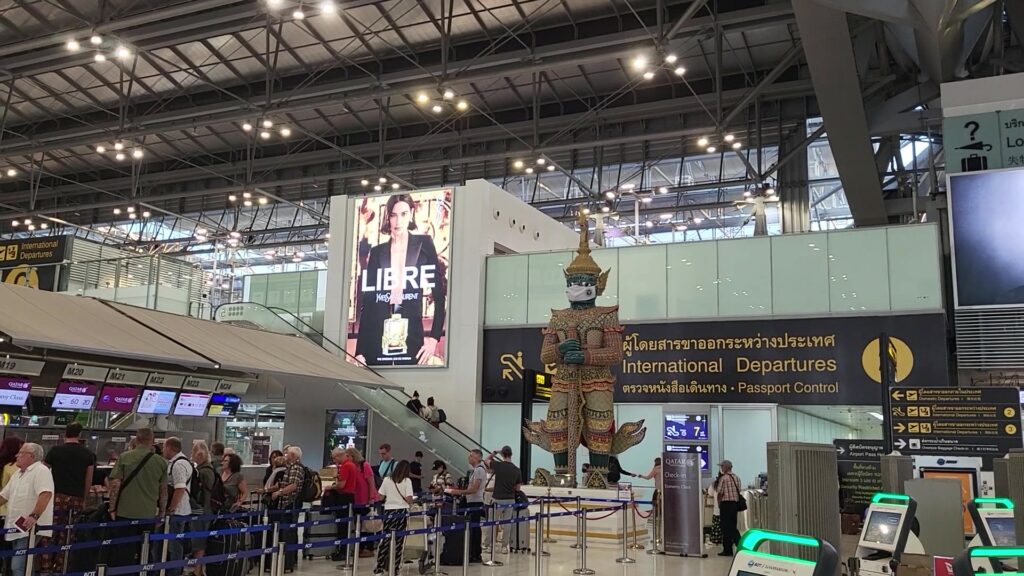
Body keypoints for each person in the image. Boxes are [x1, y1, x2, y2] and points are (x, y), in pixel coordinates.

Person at [354, 193, 448, 367]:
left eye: (403, 214)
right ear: (388, 217)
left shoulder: (424, 244)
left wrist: (434, 338)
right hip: (378, 334)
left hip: (412, 332)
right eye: (394, 215)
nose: (398, 221)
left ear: (411, 213)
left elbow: (439, 296)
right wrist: (360, 351)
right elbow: (367, 305)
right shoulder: (377, 252)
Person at [108, 428, 167, 567]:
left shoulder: (125, 457)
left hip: (125, 512)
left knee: (123, 553)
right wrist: (162, 513)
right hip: (148, 513)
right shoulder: (161, 462)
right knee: (145, 552)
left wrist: (112, 508)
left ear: (136, 440)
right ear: (152, 441)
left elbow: (115, 485)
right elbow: (163, 491)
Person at [43, 423, 96, 574]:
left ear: (65, 433)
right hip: (76, 498)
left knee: (50, 531)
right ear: (80, 435)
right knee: (68, 534)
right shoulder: (87, 454)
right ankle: (61, 566)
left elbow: (44, 471)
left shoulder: (55, 451)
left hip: (56, 496)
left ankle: (46, 566)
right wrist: (84, 498)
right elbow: (88, 479)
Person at [0, 443, 54, 576]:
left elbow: (46, 494)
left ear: (31, 456)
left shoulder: (41, 471)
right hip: (15, 525)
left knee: (18, 566)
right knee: (19, 564)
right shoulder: (18, 474)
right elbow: (3, 496)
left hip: (30, 527)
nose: (17, 455)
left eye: (21, 453)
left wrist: (34, 515)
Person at [267, 446, 305, 572]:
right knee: (285, 533)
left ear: (293, 456)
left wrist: (279, 493)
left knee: (288, 534)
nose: (285, 455)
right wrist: (267, 490)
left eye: (287, 453)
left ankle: (288, 563)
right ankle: (285, 561)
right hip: (285, 505)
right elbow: (282, 483)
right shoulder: (289, 468)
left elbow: (293, 485)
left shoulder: (296, 468)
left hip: (290, 504)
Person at [375, 460, 415, 576]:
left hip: (388, 511)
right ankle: (395, 568)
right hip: (401, 512)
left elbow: (381, 496)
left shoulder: (387, 479)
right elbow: (409, 499)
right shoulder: (407, 481)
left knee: (385, 539)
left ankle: (379, 567)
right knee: (399, 541)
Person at [447, 449, 486, 563]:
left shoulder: (479, 470)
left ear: (478, 457)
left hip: (475, 502)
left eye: (472, 456)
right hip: (471, 501)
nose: (469, 458)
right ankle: (472, 552)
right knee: (472, 528)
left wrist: (459, 492)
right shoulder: (474, 471)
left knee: (475, 528)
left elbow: (474, 489)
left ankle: (475, 553)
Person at [163, 437, 192, 576]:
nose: (163, 450)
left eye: (164, 447)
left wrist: (170, 509)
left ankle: (174, 572)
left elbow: (180, 488)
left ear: (170, 448)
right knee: (177, 543)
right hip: (183, 509)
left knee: (174, 545)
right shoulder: (184, 462)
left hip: (178, 511)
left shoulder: (178, 464)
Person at [485, 446, 522, 554]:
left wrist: (494, 452)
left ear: (502, 454)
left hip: (497, 498)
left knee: (492, 523)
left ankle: (489, 546)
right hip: (510, 499)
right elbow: (518, 488)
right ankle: (504, 547)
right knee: (507, 524)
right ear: (511, 454)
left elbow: (487, 461)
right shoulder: (517, 469)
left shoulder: (498, 465)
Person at [326, 447, 358, 561]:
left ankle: (342, 551)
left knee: (342, 526)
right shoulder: (352, 465)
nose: (334, 461)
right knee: (345, 525)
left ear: (339, 456)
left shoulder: (346, 466)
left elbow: (341, 485)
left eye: (334, 458)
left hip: (344, 497)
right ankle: (344, 550)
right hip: (350, 497)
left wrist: (330, 487)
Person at [190, 443, 217, 576]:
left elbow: (198, 493)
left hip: (201, 510)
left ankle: (197, 570)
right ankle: (198, 570)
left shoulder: (202, 471)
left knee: (199, 542)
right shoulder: (210, 469)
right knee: (200, 541)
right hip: (207, 510)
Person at [345, 448, 378, 558]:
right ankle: (360, 547)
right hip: (356, 499)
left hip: (365, 500)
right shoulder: (352, 466)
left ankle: (368, 548)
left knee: (367, 526)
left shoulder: (365, 465)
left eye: (348, 456)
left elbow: (371, 483)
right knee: (358, 525)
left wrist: (371, 498)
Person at [715, 459, 743, 557]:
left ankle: (737, 546)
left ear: (726, 467)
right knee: (732, 526)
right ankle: (730, 548)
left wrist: (719, 504)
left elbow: (720, 492)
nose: (721, 468)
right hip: (735, 505)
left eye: (722, 466)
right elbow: (738, 490)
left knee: (726, 527)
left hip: (726, 504)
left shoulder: (724, 478)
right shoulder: (737, 478)